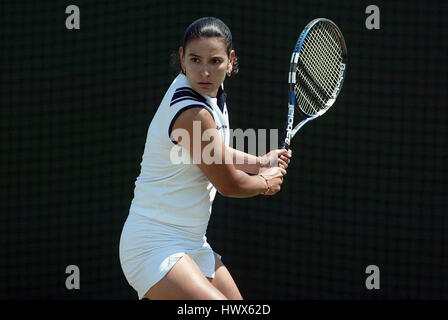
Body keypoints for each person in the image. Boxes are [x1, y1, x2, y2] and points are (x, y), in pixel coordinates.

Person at [119, 17, 292, 300]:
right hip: (152, 245)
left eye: (214, 61)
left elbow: (214, 152)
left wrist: (259, 162)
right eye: (195, 59)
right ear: (181, 58)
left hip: (192, 243)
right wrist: (264, 182)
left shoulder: (211, 97)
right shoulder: (192, 113)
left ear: (230, 60)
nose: (204, 71)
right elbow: (229, 184)